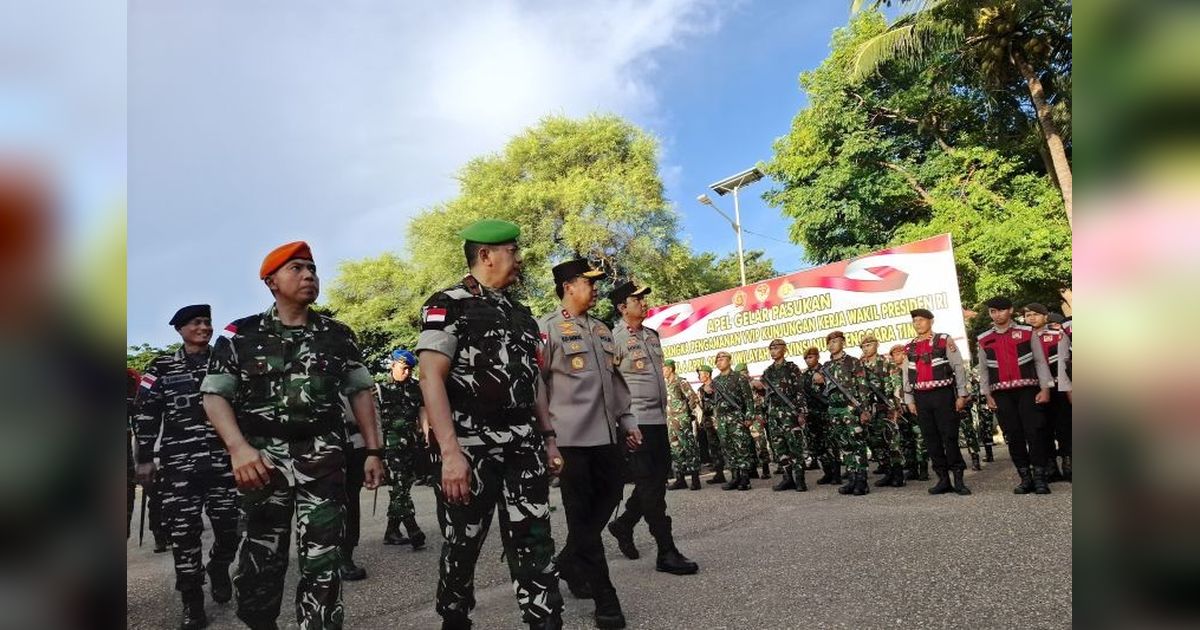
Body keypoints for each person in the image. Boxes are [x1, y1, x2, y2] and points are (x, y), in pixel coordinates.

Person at [201, 242, 384, 629]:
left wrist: (373, 450)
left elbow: (361, 392)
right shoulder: (239, 335)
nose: (309, 276)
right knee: (261, 563)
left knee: (324, 560)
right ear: (271, 281)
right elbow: (215, 395)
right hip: (262, 464)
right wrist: (238, 449)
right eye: (298, 269)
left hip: (323, 458)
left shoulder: (337, 335)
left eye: (313, 269)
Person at [415, 220, 564, 630]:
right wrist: (450, 454)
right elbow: (431, 377)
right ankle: (455, 615)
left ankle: (545, 621)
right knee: (463, 542)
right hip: (470, 447)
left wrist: (549, 439)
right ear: (486, 255)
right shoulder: (448, 304)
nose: (518, 260)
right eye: (512, 252)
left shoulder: (521, 314)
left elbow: (534, 383)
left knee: (535, 540)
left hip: (523, 445)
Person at [539, 259, 643, 629]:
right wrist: (547, 437)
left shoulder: (601, 330)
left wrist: (627, 418)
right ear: (569, 286)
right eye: (589, 282)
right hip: (570, 442)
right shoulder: (547, 329)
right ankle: (606, 599)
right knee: (581, 516)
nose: (596, 288)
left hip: (607, 438)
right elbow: (537, 386)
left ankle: (568, 559)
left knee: (613, 495)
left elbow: (615, 382)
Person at [134, 304, 240, 629]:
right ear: (180, 329)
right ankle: (192, 602)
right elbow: (145, 412)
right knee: (184, 535)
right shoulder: (162, 367)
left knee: (230, 529)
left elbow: (246, 406)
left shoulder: (225, 363)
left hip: (224, 463)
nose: (205, 327)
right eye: (197, 322)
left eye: (207, 322)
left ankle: (220, 566)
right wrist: (144, 458)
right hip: (180, 467)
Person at [606, 281, 699, 577]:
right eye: (638, 300)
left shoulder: (652, 335)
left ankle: (624, 524)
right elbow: (609, 385)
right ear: (622, 307)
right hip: (636, 424)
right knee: (651, 488)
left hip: (659, 421)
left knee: (656, 483)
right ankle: (666, 550)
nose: (645, 303)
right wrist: (620, 424)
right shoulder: (613, 338)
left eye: (645, 298)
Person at [976, 297, 1058, 495]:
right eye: (993, 311)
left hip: (1028, 390)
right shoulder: (984, 338)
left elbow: (1040, 361)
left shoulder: (1026, 332)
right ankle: (1025, 478)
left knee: (1034, 432)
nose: (997, 315)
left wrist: (1045, 388)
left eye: (1001, 310)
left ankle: (1040, 477)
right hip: (1001, 393)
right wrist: (987, 394)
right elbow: (984, 370)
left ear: (1010, 311)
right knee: (1013, 436)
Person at [901, 309, 972, 496]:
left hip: (943, 395)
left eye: (921, 320)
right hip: (921, 397)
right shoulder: (909, 347)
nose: (918, 323)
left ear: (931, 321)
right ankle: (942, 479)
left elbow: (958, 367)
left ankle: (958, 479)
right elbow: (906, 375)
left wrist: (962, 394)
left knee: (949, 436)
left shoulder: (943, 340)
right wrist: (909, 400)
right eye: (915, 320)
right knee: (931, 439)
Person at [377, 348, 428, 550]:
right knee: (399, 489)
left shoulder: (416, 388)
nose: (407, 373)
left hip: (411, 444)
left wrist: (425, 435)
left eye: (410, 369)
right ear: (392, 365)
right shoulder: (379, 390)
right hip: (389, 447)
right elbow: (375, 421)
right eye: (403, 368)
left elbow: (422, 412)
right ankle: (413, 529)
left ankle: (391, 531)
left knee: (403, 486)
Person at [814, 331, 873, 496]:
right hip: (834, 410)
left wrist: (864, 409)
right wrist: (817, 381)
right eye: (829, 342)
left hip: (851, 409)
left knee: (857, 444)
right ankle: (851, 479)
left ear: (843, 343)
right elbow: (817, 391)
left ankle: (862, 481)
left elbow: (863, 387)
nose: (832, 345)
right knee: (844, 445)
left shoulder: (853, 362)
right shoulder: (825, 367)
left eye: (836, 341)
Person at [1023, 303, 1073, 482]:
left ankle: (1069, 465)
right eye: (1028, 315)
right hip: (1036, 389)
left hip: (1059, 387)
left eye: (1036, 314)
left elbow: (1064, 361)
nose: (1032, 318)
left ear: (1046, 316)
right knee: (1042, 428)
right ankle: (1050, 466)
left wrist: (1068, 388)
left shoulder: (1057, 335)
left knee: (1064, 426)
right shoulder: (1023, 338)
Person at [760, 339, 809, 492]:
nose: (773, 351)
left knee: (795, 447)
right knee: (779, 447)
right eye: (771, 348)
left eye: (776, 348)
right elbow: (765, 395)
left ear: (784, 350)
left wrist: (801, 412)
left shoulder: (791, 368)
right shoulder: (768, 371)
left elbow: (800, 391)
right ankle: (788, 478)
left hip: (790, 413)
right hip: (774, 414)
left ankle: (800, 480)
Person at [858, 335, 904, 488]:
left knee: (892, 441)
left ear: (877, 345)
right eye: (863, 346)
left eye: (869, 345)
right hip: (871, 409)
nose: (866, 348)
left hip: (887, 407)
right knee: (875, 442)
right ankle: (888, 472)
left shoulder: (886, 363)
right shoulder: (860, 366)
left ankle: (898, 475)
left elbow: (896, 384)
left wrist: (897, 406)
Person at [711, 352, 755, 491]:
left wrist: (749, 417)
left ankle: (745, 478)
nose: (719, 361)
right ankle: (734, 477)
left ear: (729, 361)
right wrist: (715, 418)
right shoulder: (716, 381)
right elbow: (715, 402)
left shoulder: (739, 378)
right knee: (728, 448)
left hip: (736, 417)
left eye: (722, 359)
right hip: (722, 419)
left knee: (741, 447)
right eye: (717, 359)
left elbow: (748, 399)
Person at [888, 344, 928, 481]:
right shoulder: (892, 372)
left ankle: (923, 469)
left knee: (919, 439)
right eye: (895, 354)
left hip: (914, 408)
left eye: (900, 353)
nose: (898, 356)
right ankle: (912, 469)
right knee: (906, 440)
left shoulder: (912, 368)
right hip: (900, 411)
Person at [661, 359, 702, 491]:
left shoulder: (680, 381)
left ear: (670, 368)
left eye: (664, 368)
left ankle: (695, 479)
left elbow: (693, 397)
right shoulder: (664, 384)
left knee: (689, 447)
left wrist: (687, 412)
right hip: (670, 421)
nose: (662, 371)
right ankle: (680, 479)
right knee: (675, 449)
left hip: (682, 419)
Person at [801, 347, 838, 485]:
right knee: (817, 446)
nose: (808, 360)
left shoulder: (826, 370)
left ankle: (836, 474)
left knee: (830, 444)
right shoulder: (804, 376)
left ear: (817, 357)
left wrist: (823, 382)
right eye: (806, 358)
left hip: (825, 412)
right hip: (812, 414)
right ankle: (827, 472)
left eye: (810, 357)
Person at [737, 363, 773, 480]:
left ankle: (765, 468)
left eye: (743, 372)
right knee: (747, 445)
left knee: (760, 443)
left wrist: (757, 384)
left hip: (756, 417)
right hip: (744, 417)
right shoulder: (738, 385)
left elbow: (764, 391)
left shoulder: (754, 383)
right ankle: (752, 470)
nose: (742, 375)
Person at [695, 365, 725, 484]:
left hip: (718, 420)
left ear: (707, 374)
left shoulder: (717, 385)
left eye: (701, 374)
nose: (699, 376)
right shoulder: (701, 389)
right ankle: (719, 474)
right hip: (708, 422)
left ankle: (736, 474)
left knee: (726, 445)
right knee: (714, 448)